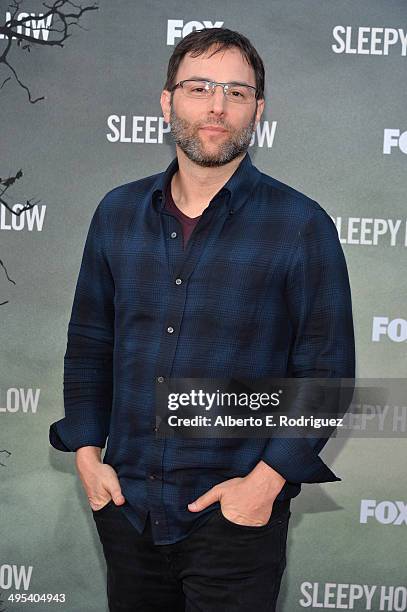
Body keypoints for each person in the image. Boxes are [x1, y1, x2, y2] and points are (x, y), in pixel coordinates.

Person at [49, 27, 355, 612]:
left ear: (257, 111)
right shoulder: (116, 213)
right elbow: (90, 344)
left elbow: (327, 371)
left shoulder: (299, 223)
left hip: (236, 516)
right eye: (199, 87)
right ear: (167, 101)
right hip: (128, 507)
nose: (217, 105)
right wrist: (88, 456)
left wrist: (263, 486)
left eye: (236, 93)